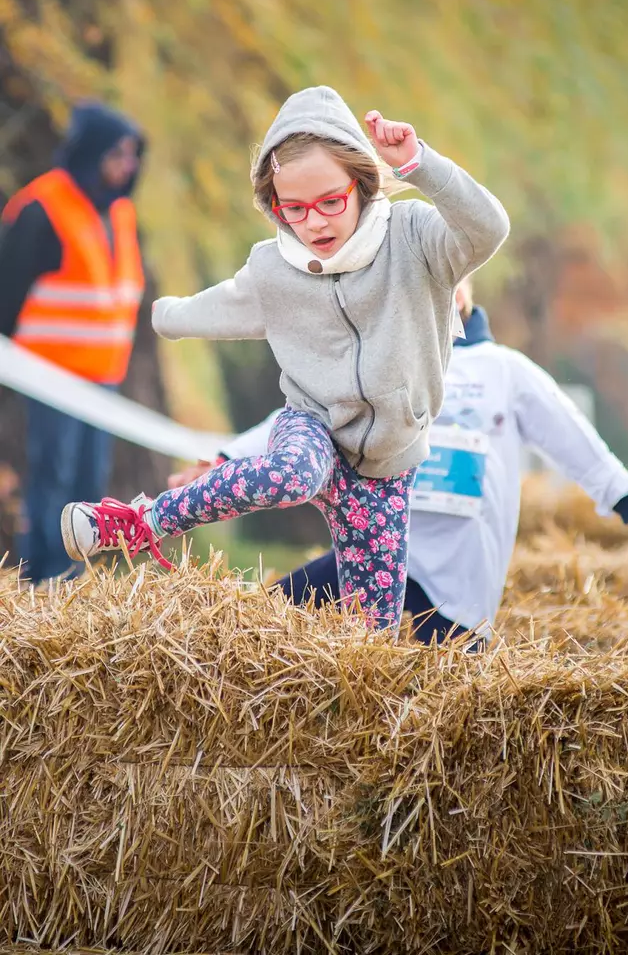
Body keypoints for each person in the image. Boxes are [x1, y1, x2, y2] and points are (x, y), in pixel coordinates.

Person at [60, 87, 510, 630]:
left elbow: (489, 228)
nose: (314, 223)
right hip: (312, 428)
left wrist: (420, 164)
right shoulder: (275, 269)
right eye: (292, 209)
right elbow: (222, 306)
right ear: (274, 206)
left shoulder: (415, 239)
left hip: (387, 469)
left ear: (361, 185)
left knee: (375, 636)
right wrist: (160, 314)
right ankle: (136, 522)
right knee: (293, 474)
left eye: (329, 202)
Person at [169, 278, 628, 645]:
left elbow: (573, 438)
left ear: (465, 289)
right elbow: (305, 416)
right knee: (262, 621)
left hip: (459, 573)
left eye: (443, 279)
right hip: (376, 543)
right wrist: (223, 459)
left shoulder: (506, 372)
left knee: (442, 695)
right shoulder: (379, 367)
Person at [0, 102, 146, 583]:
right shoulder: (42, 207)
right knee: (51, 479)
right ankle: (42, 575)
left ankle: (75, 578)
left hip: (102, 377)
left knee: (87, 486)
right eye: (118, 154)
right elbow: (8, 294)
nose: (128, 166)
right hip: (51, 375)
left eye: (132, 155)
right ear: (91, 153)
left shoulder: (120, 211)